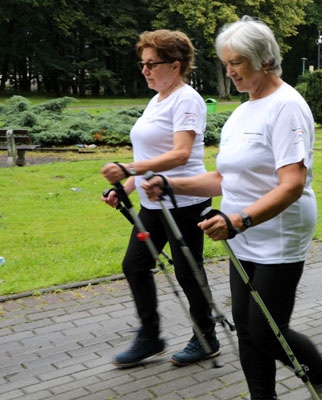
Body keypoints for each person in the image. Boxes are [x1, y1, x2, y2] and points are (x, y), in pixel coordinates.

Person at [142, 17, 322, 400]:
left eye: (237, 62)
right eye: (226, 63)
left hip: (278, 233)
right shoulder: (242, 112)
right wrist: (169, 184)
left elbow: (292, 184)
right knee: (246, 329)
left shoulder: (286, 106)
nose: (230, 71)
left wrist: (240, 219)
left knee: (267, 329)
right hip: (240, 233)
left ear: (265, 60)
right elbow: (224, 179)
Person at [100, 29, 217, 368]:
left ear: (175, 65)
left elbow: (180, 154)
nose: (145, 70)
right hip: (153, 201)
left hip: (184, 200)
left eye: (152, 64)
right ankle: (150, 337)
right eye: (143, 63)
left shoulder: (187, 99)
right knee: (134, 265)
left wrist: (128, 168)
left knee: (187, 271)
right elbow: (151, 152)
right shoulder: (158, 100)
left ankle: (206, 337)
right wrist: (126, 187)